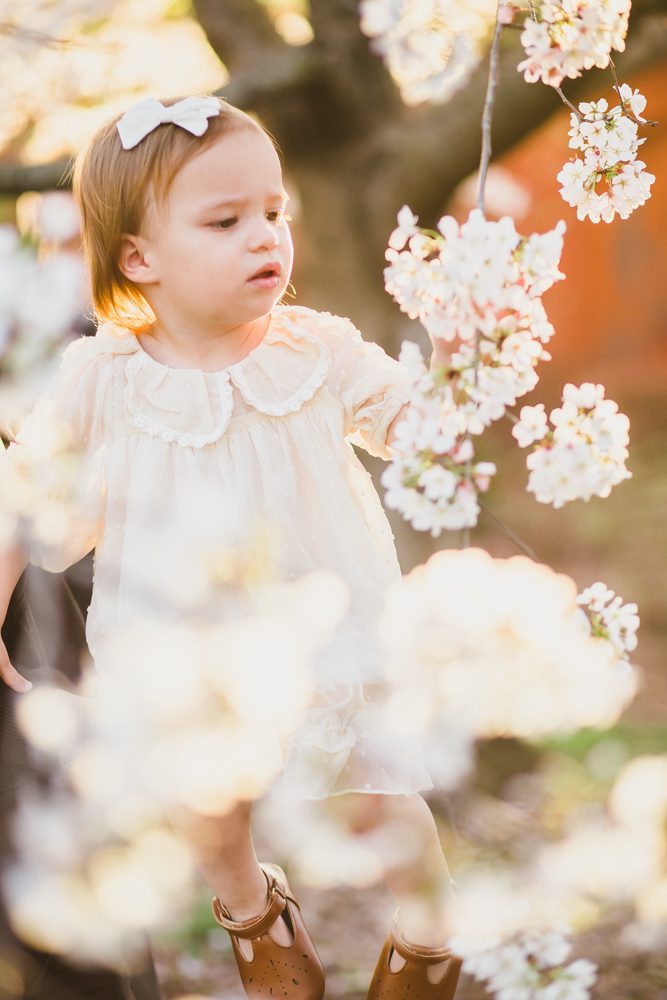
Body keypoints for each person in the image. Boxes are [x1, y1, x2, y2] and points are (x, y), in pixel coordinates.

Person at [0, 94, 461, 1000]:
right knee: (209, 811)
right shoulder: (106, 376)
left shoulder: (317, 351)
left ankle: (430, 937)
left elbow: (413, 426)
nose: (265, 238)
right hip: (185, 655)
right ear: (140, 257)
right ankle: (255, 917)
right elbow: (24, 500)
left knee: (380, 801)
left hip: (329, 632)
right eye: (226, 221)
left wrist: (460, 372)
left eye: (273, 212)